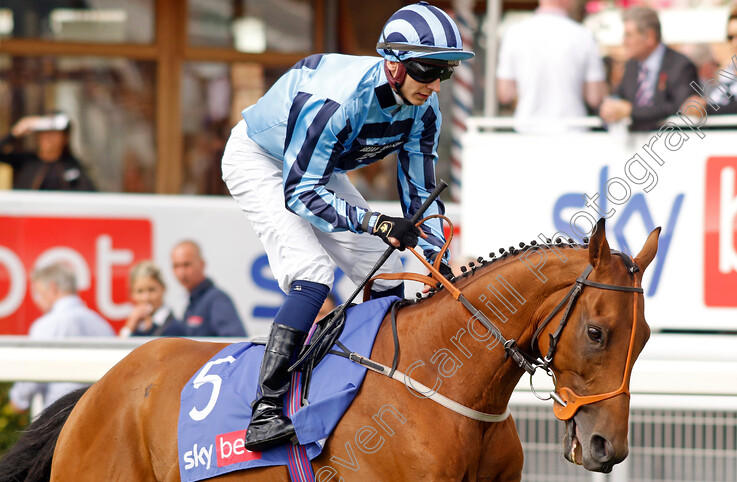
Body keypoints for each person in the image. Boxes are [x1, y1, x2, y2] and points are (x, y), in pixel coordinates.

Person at [221, 1, 470, 452]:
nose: (434, 85)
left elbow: (421, 197)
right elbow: (300, 193)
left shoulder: (423, 111)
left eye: (445, 73)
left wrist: (439, 261)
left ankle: (374, 385)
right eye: (427, 70)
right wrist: (375, 222)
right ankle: (265, 409)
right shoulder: (337, 100)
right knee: (313, 272)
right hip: (261, 160)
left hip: (317, 166)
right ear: (394, 64)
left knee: (392, 274)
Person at [8, 264, 114, 415]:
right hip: (98, 419)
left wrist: (18, 399)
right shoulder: (103, 325)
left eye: (38, 292)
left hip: (58, 422)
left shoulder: (47, 325)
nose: (36, 300)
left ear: (52, 287)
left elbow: (31, 373)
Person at [496, 0, 607, 133]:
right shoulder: (584, 36)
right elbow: (594, 97)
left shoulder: (514, 34)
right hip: (573, 129)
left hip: (528, 129)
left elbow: (505, 94)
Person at [599, 7, 698, 131]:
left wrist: (631, 111)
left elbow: (681, 107)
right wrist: (609, 109)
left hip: (670, 142)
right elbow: (620, 98)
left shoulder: (680, 65)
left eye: (629, 35)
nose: (624, 41)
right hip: (635, 144)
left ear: (650, 36)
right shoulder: (632, 66)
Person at [0, 113, 97, 191]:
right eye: (43, 132)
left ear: (65, 138)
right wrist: (15, 133)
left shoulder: (72, 165)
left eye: (53, 133)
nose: (47, 137)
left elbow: (88, 194)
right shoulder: (26, 160)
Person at [170, 240, 247, 338]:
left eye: (186, 265)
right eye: (176, 266)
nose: (182, 273)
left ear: (202, 264)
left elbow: (235, 341)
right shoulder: (193, 301)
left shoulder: (217, 299)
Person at [119, 260, 186, 338]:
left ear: (163, 288)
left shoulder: (174, 328)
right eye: (140, 291)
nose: (146, 298)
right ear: (131, 294)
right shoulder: (135, 326)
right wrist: (129, 327)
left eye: (151, 290)